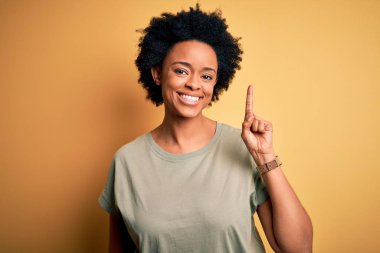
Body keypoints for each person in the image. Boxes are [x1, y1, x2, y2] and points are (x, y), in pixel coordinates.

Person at [99, 4, 313, 253]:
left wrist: (265, 157)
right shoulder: (127, 162)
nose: (193, 84)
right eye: (181, 71)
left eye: (206, 76)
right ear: (157, 74)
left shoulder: (242, 147)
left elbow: (299, 249)